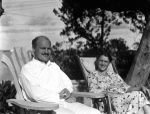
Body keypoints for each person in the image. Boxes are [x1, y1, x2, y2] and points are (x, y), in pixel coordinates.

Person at [19, 35, 101, 114]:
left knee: (95, 112)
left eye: (49, 49)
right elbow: (35, 93)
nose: (46, 52)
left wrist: (67, 90)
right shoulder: (28, 69)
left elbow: (67, 83)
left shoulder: (53, 66)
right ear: (34, 49)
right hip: (44, 108)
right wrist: (59, 97)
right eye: (43, 48)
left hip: (65, 103)